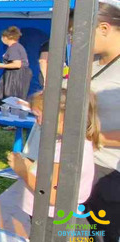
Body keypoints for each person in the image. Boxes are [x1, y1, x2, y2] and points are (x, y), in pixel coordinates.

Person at [10, 89, 99, 220]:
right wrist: (30, 166)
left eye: (39, 116)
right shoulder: (69, 143)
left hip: (51, 219)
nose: (37, 122)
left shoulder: (67, 149)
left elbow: (53, 195)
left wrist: (23, 171)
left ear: (62, 117)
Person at [83, 3, 120, 242]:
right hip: (86, 166)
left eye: (82, 31)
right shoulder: (94, 64)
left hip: (109, 173)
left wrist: (94, 138)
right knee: (79, 239)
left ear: (104, 28)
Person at [0, 26, 32, 101]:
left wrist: (0, 65)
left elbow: (17, 64)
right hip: (19, 75)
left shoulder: (13, 48)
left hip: (15, 76)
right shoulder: (17, 47)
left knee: (10, 98)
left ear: (5, 37)